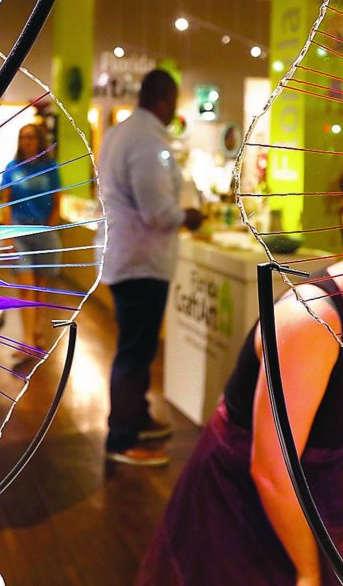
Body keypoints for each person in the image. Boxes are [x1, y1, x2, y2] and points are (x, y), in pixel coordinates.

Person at [137, 152, 343, 584]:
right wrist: (310, 571)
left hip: (325, 493)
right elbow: (270, 470)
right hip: (240, 504)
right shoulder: (310, 319)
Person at [98, 69, 202, 467]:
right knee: (134, 352)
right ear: (164, 98)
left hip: (130, 257)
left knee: (135, 348)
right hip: (141, 262)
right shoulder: (145, 140)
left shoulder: (122, 133)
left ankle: (136, 416)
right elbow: (157, 210)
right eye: (174, 99)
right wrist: (187, 216)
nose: (175, 107)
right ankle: (121, 438)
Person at [1, 123, 61, 354]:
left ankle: (36, 330)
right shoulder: (11, 168)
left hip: (43, 231)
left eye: (31, 137)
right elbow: (5, 202)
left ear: (39, 140)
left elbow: (57, 201)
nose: (26, 141)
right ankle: (26, 339)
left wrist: (51, 227)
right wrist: (7, 235)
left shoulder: (51, 167)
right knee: (25, 286)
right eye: (23, 137)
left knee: (40, 286)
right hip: (19, 231)